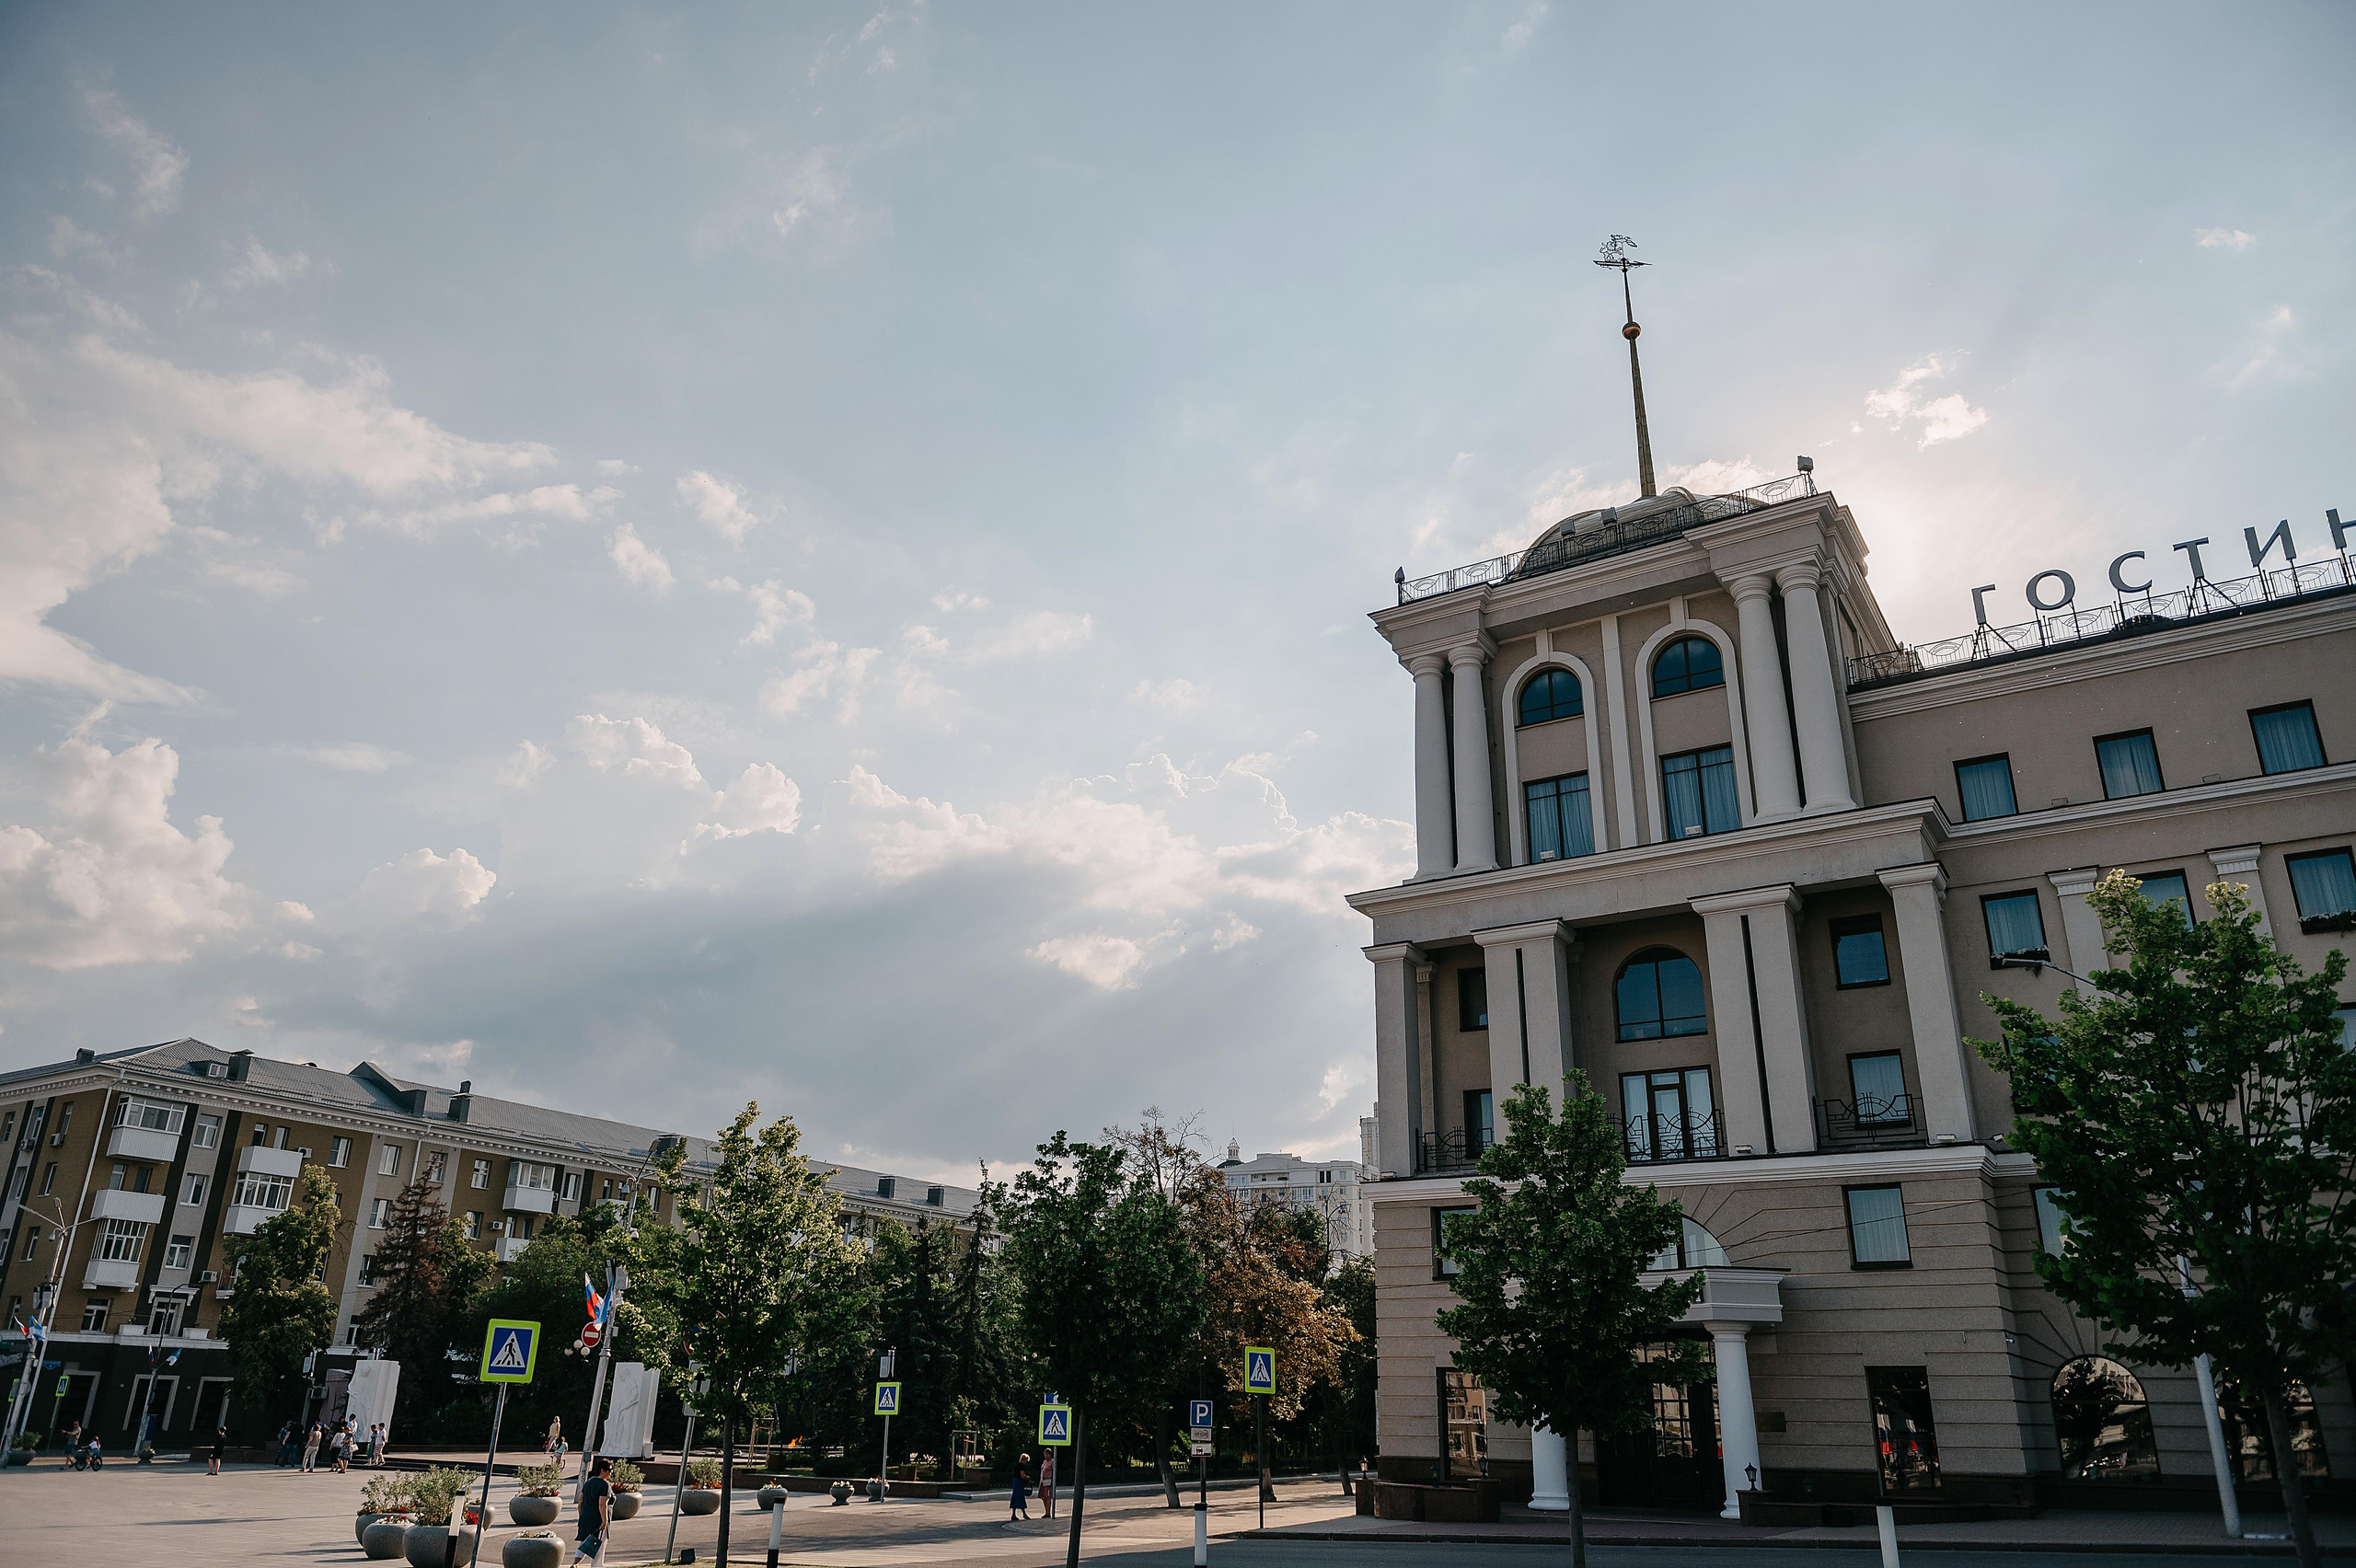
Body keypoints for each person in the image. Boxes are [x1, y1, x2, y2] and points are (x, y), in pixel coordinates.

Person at [571, 1455, 614, 1568]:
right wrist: (604, 1521)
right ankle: (597, 1566)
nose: (611, 1473)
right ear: (602, 1470)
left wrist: (581, 1515)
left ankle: (575, 1564)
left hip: (586, 1517)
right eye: (609, 1470)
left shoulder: (589, 1482)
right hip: (597, 1519)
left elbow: (580, 1500)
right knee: (599, 1545)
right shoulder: (605, 1485)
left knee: (584, 1542)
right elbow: (602, 1504)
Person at [1009, 1454, 1032, 1521]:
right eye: (1026, 1461)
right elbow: (1022, 1475)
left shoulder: (1016, 1465)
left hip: (1015, 1481)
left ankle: (1013, 1514)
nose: (1026, 1462)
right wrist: (1027, 1478)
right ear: (1024, 1459)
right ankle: (1024, 1514)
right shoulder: (1022, 1466)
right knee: (1020, 1497)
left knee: (1015, 1497)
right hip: (1019, 1482)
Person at [1039, 1446, 1057, 1519]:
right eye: (1045, 1454)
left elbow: (1054, 1471)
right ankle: (1046, 1511)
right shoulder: (1044, 1462)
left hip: (1049, 1481)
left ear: (1050, 1454)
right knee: (1043, 1497)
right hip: (1043, 1481)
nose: (1046, 1456)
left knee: (1048, 1497)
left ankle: (1048, 1513)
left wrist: (1053, 1480)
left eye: (1047, 1454)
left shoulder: (1052, 1462)